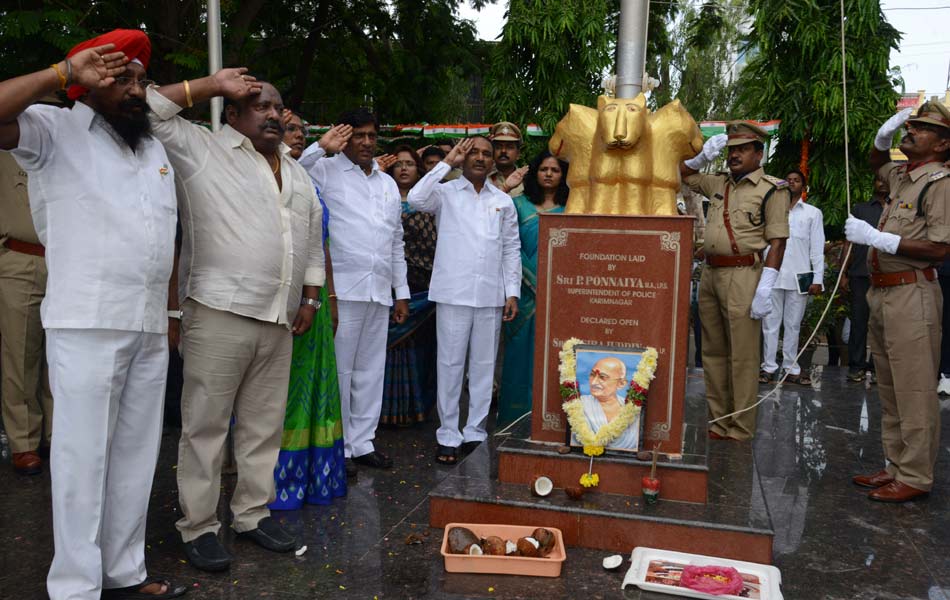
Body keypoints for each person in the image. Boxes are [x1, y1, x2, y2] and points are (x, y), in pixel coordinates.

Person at [0, 29, 186, 599]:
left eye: (140, 79)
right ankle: (76, 587)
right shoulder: (53, 129)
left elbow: (166, 237)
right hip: (85, 321)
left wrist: (172, 314)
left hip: (148, 324)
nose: (134, 89)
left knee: (135, 456)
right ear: (89, 81)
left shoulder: (151, 145)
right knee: (82, 462)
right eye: (120, 77)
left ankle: (124, 572)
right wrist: (62, 72)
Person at [147, 70, 325, 569]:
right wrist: (211, 84)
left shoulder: (295, 169)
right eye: (258, 104)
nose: (273, 113)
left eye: (277, 105)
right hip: (219, 312)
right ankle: (199, 526)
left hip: (278, 319)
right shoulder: (201, 150)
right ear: (232, 112)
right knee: (204, 428)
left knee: (262, 427)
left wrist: (309, 301)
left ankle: (251, 513)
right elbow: (147, 109)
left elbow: (311, 239)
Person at [847, 101, 950, 503]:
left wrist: (880, 240)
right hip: (884, 292)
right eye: (911, 126)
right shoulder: (904, 176)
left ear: (942, 145)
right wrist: (883, 135)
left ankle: (916, 475)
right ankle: (895, 465)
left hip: (912, 292)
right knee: (889, 387)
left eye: (922, 129)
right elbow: (876, 161)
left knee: (914, 389)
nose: (912, 132)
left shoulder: (939, 183)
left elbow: (941, 247)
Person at [299, 108, 410, 473]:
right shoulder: (325, 170)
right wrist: (320, 146)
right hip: (342, 289)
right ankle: (340, 446)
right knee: (342, 371)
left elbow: (396, 240)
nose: (365, 142)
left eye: (370, 136)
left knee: (371, 370)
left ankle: (363, 442)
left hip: (378, 290)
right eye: (357, 135)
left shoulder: (387, 183)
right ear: (345, 137)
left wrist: (402, 291)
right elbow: (291, 172)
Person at [408, 137, 521, 465]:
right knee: (450, 364)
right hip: (453, 293)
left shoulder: (503, 201)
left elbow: (510, 248)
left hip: (489, 294)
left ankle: (475, 431)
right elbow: (415, 199)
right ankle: (447, 434)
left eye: (487, 154)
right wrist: (447, 163)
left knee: (484, 366)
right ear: (463, 156)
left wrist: (510, 290)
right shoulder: (445, 192)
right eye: (474, 152)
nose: (482, 158)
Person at [679, 122, 790, 441]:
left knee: (742, 355)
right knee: (712, 352)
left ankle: (740, 426)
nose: (734, 155)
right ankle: (719, 420)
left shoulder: (772, 188)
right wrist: (700, 158)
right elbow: (680, 175)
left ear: (759, 153)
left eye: (742, 149)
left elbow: (778, 241)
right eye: (731, 150)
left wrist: (766, 286)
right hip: (711, 273)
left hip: (744, 274)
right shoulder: (718, 182)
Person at [269, 110, 346, 509]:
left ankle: (315, 477)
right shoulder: (267, 177)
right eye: (290, 128)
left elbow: (321, 245)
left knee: (315, 385)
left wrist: (324, 299)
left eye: (303, 129)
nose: (298, 135)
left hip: (314, 302)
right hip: (277, 301)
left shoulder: (307, 182)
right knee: (279, 390)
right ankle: (278, 481)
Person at [497, 150, 568, 426]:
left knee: (555, 355)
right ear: (534, 174)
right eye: (543, 169)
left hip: (559, 294)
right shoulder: (519, 204)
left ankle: (552, 420)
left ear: (563, 176)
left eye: (555, 170)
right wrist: (533, 280)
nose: (549, 174)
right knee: (518, 355)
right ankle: (515, 420)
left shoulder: (572, 206)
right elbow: (509, 246)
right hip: (523, 294)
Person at [0, 151, 53, 475]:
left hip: (64, 258)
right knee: (20, 356)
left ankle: (57, 435)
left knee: (61, 355)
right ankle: (24, 441)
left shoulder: (55, 146)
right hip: (18, 258)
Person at [380, 146, 438, 426]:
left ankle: (416, 410)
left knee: (419, 352)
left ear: (418, 170)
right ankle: (382, 412)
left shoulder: (426, 203)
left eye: (410, 164)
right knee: (384, 352)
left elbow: (433, 245)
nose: (403, 168)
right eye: (398, 164)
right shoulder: (381, 198)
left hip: (420, 288)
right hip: (385, 283)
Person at [760, 170, 825, 385]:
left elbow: (816, 248)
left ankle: (791, 368)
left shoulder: (812, 213)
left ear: (803, 187)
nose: (792, 183)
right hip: (772, 273)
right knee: (770, 323)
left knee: (793, 325)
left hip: (800, 276)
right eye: (788, 180)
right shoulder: (770, 209)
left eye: (796, 180)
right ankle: (768, 367)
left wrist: (818, 279)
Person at [841, 174, 888, 382]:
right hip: (860, 274)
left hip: (888, 276)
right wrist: (843, 272)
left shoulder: (897, 209)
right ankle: (856, 366)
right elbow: (848, 242)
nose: (883, 183)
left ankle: (878, 368)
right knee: (859, 322)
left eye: (887, 180)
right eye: (879, 180)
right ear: (873, 183)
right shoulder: (860, 209)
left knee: (883, 324)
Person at [574, 357, 639, 450]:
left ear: (621, 384)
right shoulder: (579, 405)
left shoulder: (631, 408)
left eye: (602, 377)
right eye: (592, 375)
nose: (594, 382)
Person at [489, 121, 527, 197]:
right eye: (499, 147)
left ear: (518, 154)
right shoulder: (482, 178)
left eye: (509, 147)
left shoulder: (527, 180)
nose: (503, 151)